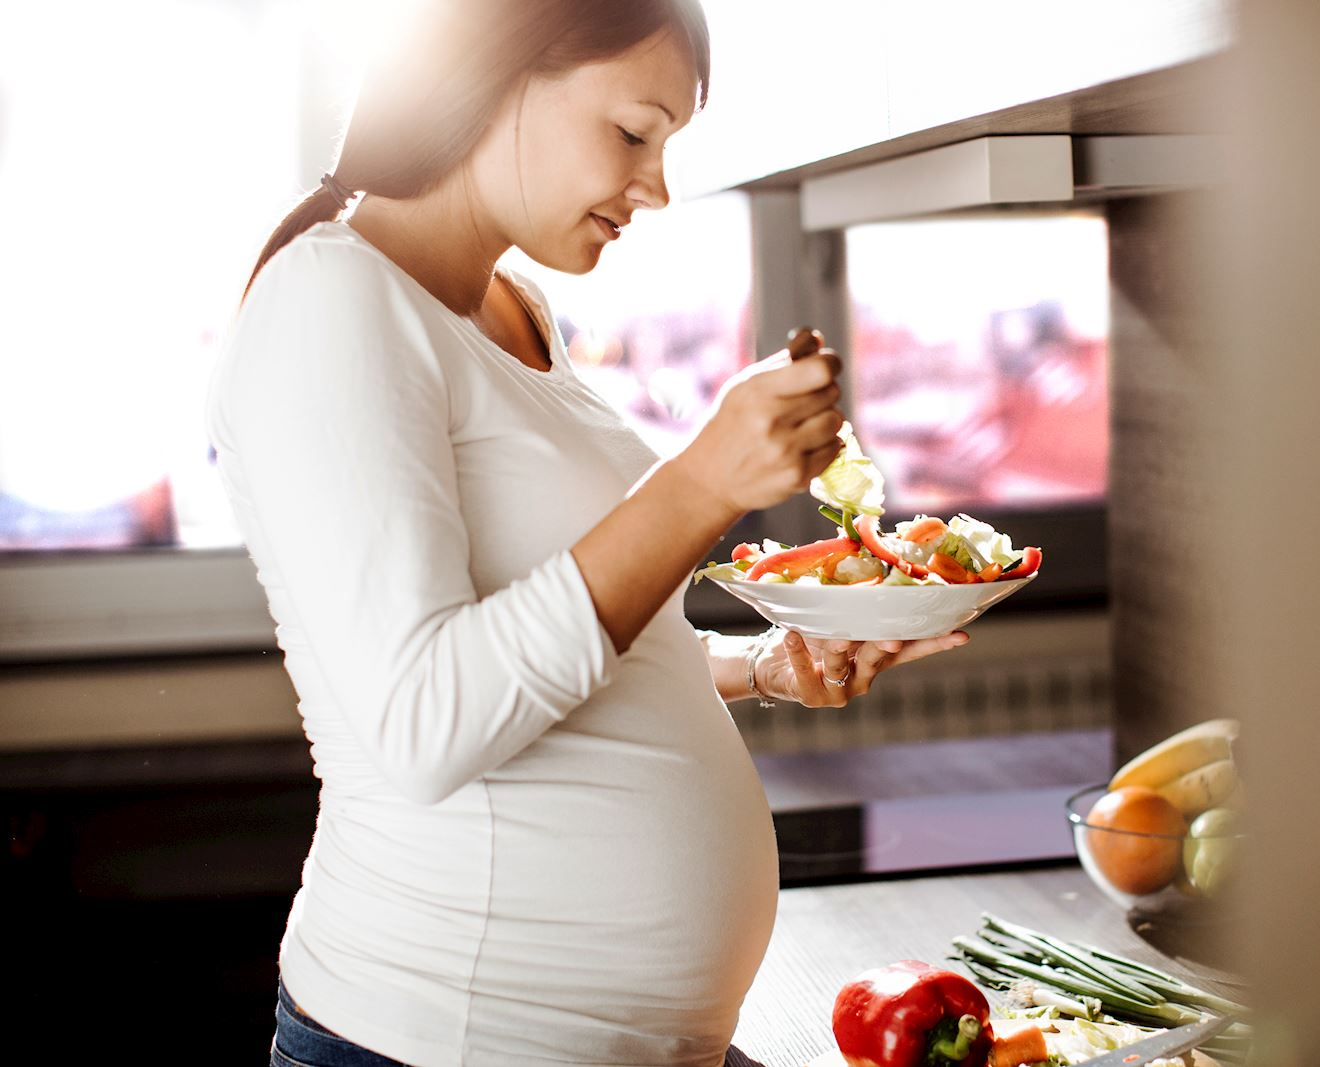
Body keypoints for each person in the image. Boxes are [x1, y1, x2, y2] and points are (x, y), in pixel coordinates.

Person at [204, 2, 969, 1065]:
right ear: (493, 74)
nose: (655, 187)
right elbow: (429, 717)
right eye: (632, 131)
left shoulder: (505, 305)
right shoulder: (332, 301)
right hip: (448, 1039)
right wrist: (701, 482)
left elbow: (560, 650)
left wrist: (762, 665)